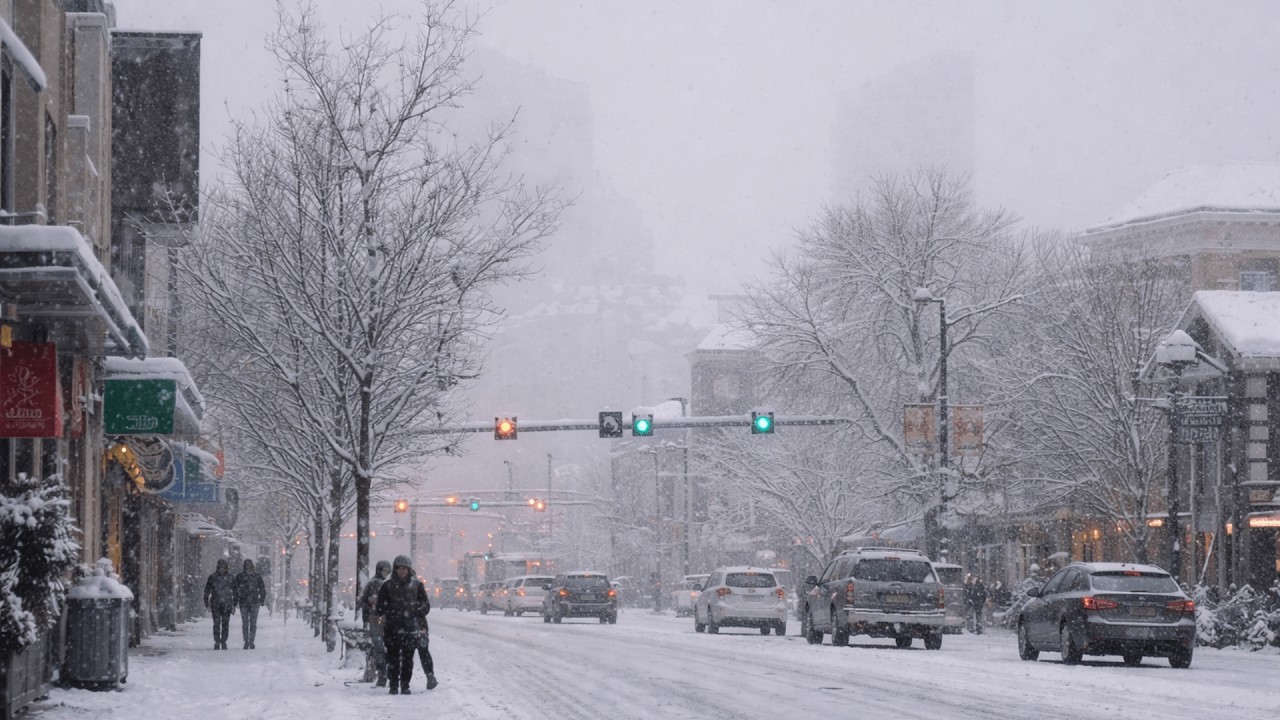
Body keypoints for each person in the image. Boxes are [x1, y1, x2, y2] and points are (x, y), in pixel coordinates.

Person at [376, 555, 435, 695]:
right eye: (399, 568)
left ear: (409, 570)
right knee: (392, 659)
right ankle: (393, 685)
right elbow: (379, 607)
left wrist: (416, 613)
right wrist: (389, 612)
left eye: (404, 568)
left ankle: (405, 685)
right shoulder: (387, 586)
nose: (402, 571)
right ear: (395, 569)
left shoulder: (417, 585)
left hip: (410, 629)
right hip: (392, 629)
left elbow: (425, 605)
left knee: (408, 659)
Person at [360, 560, 392, 686]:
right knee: (381, 649)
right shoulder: (379, 583)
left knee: (379, 649)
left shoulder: (373, 583)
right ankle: (383, 674)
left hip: (376, 619)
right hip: (379, 619)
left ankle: (379, 674)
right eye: (385, 571)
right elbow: (371, 602)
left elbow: (365, 603)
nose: (387, 573)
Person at [233, 558, 267, 649]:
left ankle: (250, 640)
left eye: (249, 565)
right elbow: (235, 590)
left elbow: (262, 589)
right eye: (246, 566)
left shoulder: (255, 577)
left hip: (253, 602)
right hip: (245, 602)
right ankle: (247, 641)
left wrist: (262, 599)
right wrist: (235, 602)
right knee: (246, 623)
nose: (247, 567)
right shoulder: (241, 577)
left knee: (252, 623)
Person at [203, 559, 236, 650]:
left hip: (225, 603)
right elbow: (207, 590)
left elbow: (235, 591)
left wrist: (234, 603)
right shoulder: (214, 577)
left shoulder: (229, 577)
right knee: (217, 624)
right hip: (217, 603)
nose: (221, 569)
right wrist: (206, 601)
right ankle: (217, 641)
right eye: (220, 567)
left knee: (225, 623)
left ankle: (223, 641)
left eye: (223, 567)